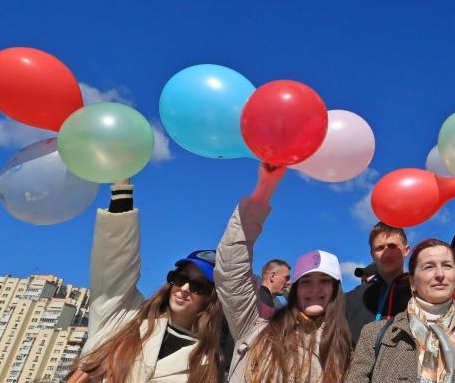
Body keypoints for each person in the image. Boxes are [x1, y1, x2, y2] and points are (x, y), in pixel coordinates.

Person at [71, 180, 225, 383]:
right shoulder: (125, 318)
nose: (185, 288)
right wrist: (122, 189)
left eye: (199, 286)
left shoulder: (206, 363)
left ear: (211, 299)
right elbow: (115, 261)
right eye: (181, 278)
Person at [217, 164, 351, 383]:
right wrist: (263, 190)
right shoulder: (255, 326)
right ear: (295, 289)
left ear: (336, 289)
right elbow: (231, 267)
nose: (315, 288)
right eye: (306, 281)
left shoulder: (342, 349)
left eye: (324, 280)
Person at [346, 182, 455, 344]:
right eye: (380, 248)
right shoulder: (352, 299)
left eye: (392, 246)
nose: (387, 252)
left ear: (406, 250)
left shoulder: (423, 288)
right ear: (372, 254)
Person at [347, 239, 455, 383]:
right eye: (429, 267)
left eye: (447, 266)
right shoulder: (373, 335)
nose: (440, 274)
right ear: (412, 282)